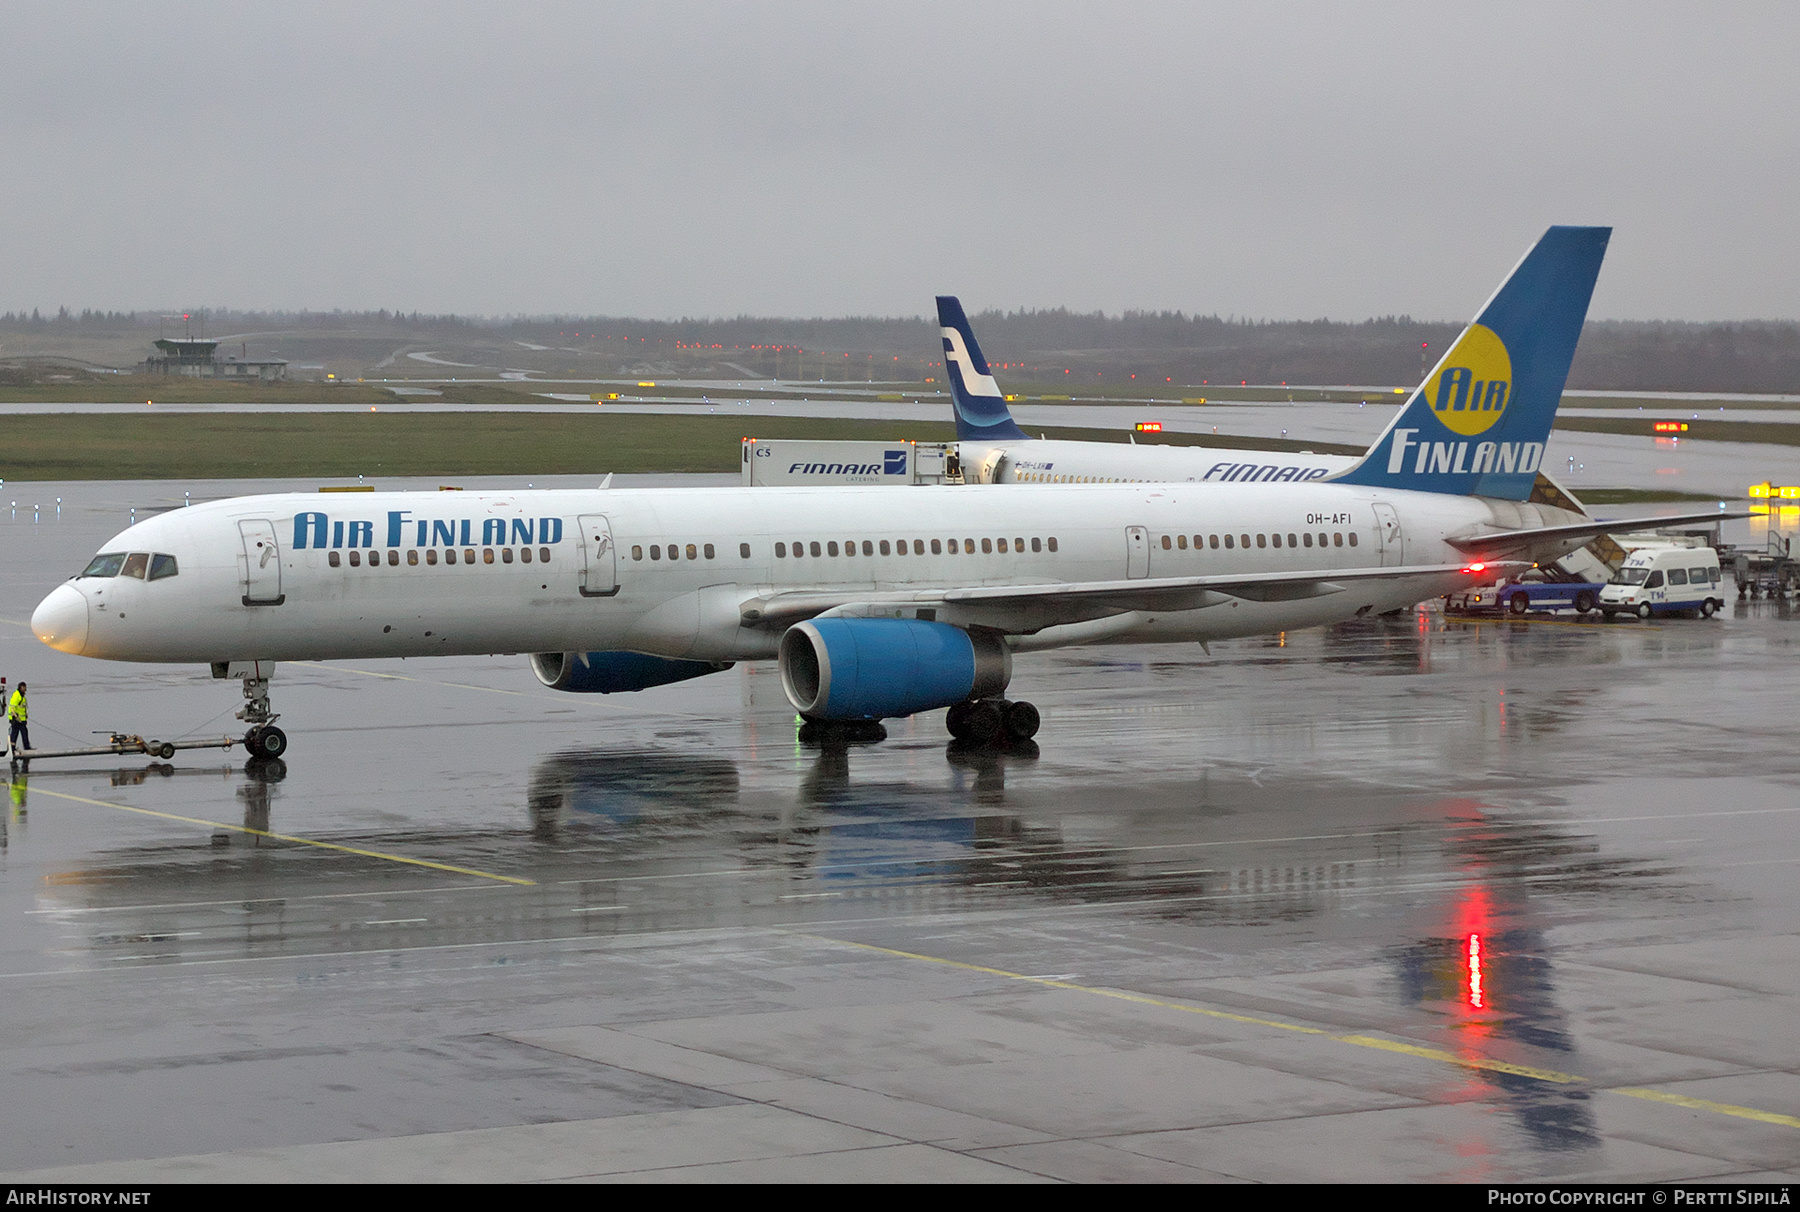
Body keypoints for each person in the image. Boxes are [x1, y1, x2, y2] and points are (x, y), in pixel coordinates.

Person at [7, 682, 28, 757]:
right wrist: (15, 716)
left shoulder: (22, 696)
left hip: (22, 719)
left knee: (24, 732)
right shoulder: (17, 695)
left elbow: (23, 708)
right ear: (20, 687)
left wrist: (26, 717)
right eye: (24, 687)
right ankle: (12, 748)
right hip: (16, 719)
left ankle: (26, 747)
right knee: (15, 734)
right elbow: (12, 707)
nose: (25, 689)